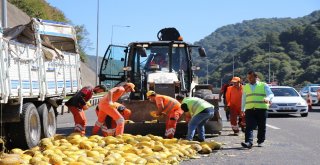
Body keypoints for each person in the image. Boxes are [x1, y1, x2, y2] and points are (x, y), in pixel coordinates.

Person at [241, 71, 274, 148]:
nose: (249, 79)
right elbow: (244, 99)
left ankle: (260, 141)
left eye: (251, 77)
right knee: (249, 126)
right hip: (250, 109)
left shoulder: (263, 85)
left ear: (256, 77)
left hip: (261, 108)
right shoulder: (246, 86)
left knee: (261, 126)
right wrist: (242, 109)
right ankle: (248, 142)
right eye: (248, 77)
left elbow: (271, 94)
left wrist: (267, 98)